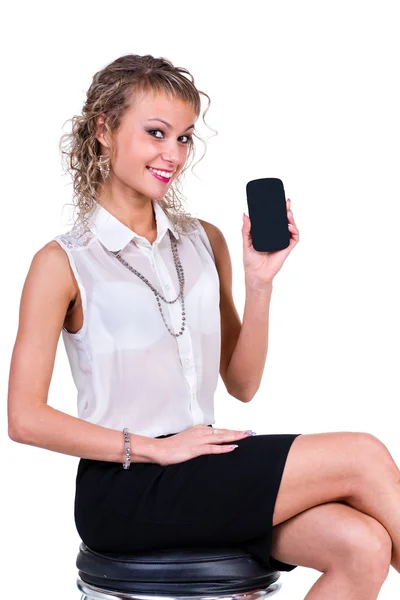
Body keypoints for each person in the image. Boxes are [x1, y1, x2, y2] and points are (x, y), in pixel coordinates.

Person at [7, 53, 400, 600]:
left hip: (206, 468)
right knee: (364, 455)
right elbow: (24, 419)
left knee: (362, 545)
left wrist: (260, 282)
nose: (173, 154)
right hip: (127, 487)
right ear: (104, 129)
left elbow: (241, 383)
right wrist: (154, 448)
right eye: (156, 133)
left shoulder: (204, 241)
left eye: (185, 138)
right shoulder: (63, 262)